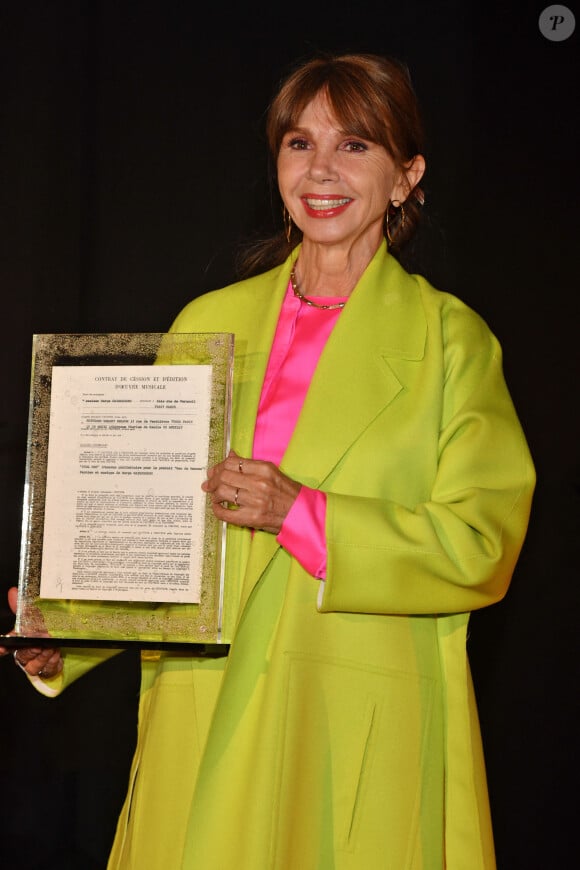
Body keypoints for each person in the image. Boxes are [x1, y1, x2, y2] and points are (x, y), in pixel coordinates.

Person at [1, 52, 535, 868]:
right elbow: (158, 539)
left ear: (406, 175)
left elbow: (481, 546)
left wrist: (301, 512)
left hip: (351, 712)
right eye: (298, 143)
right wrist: (65, 640)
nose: (321, 169)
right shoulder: (204, 323)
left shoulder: (449, 340)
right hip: (205, 707)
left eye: (355, 145)